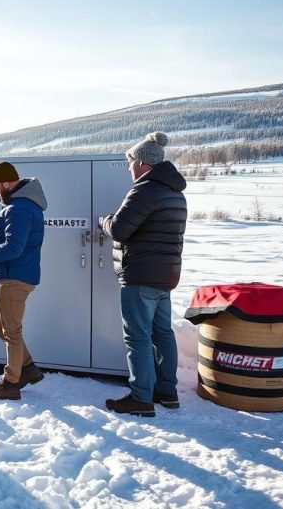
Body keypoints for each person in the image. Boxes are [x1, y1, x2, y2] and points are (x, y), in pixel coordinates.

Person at [99, 132, 187, 417]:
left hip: (140, 276)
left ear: (142, 162)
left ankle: (140, 398)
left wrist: (104, 221)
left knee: (137, 336)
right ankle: (166, 391)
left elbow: (121, 229)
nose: (128, 168)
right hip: (166, 275)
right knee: (162, 333)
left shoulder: (144, 190)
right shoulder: (175, 192)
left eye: (130, 162)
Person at [0, 161, 48, 400]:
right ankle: (28, 368)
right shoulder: (19, 206)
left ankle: (11, 382)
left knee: (12, 331)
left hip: (15, 277)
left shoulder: (19, 209)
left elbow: (13, 248)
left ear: (6, 183)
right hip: (13, 275)